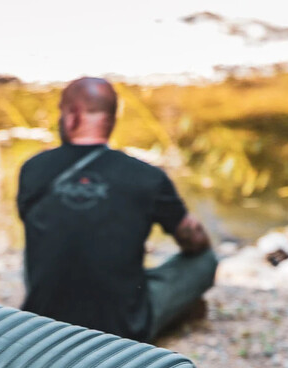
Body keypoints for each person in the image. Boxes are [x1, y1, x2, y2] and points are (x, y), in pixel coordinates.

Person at [16, 77, 216, 342]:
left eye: (60, 112)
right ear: (112, 119)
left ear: (72, 115)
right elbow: (195, 241)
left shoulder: (32, 169)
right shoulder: (147, 176)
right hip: (124, 330)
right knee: (205, 260)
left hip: (44, 324)